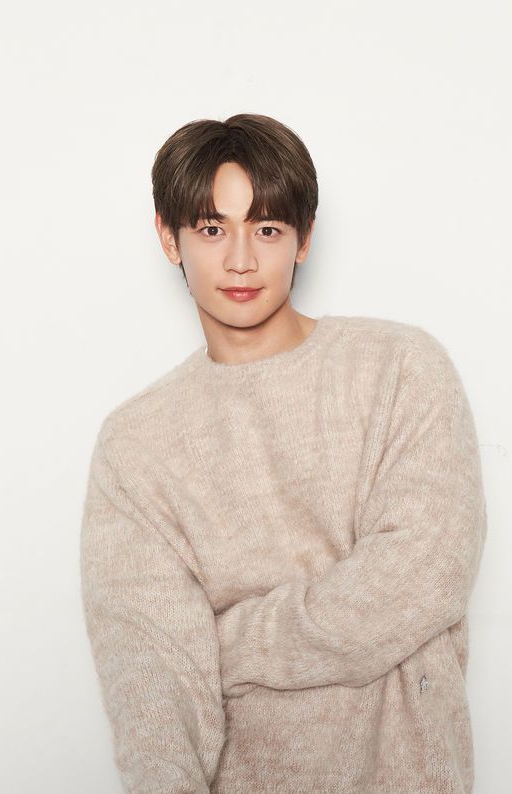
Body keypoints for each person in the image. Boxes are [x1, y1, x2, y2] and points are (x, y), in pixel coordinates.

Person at [80, 113, 487, 793]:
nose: (241, 260)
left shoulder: (400, 368)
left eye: (266, 229)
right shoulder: (136, 445)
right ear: (169, 237)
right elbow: (150, 685)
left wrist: (225, 646)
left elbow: (425, 573)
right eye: (212, 229)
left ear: (304, 238)